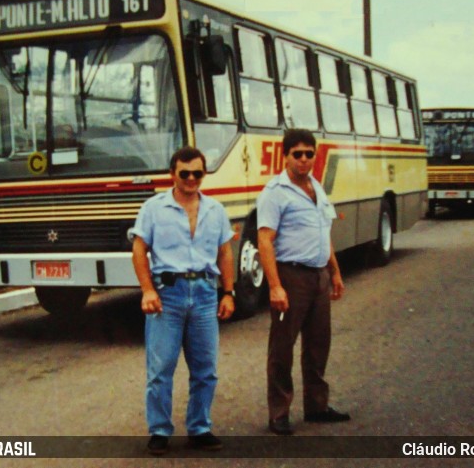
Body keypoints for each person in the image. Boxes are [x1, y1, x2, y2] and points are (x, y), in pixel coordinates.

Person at [131, 146, 235, 455]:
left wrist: (228, 292)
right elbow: (139, 249)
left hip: (204, 293)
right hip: (168, 294)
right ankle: (160, 430)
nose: (191, 179)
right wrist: (147, 290)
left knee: (206, 367)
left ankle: (199, 427)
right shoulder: (153, 207)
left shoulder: (215, 210)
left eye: (198, 173)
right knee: (160, 368)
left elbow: (225, 252)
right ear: (172, 174)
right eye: (185, 173)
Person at [257, 128, 349, 436]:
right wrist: (274, 286)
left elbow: (325, 234)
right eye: (298, 154)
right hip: (291, 276)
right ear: (285, 156)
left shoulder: (317, 187)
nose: (304, 159)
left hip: (318, 276)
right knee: (282, 346)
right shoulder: (275, 192)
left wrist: (334, 272)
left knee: (318, 344)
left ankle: (317, 407)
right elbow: (265, 241)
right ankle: (279, 413)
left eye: (310, 153)